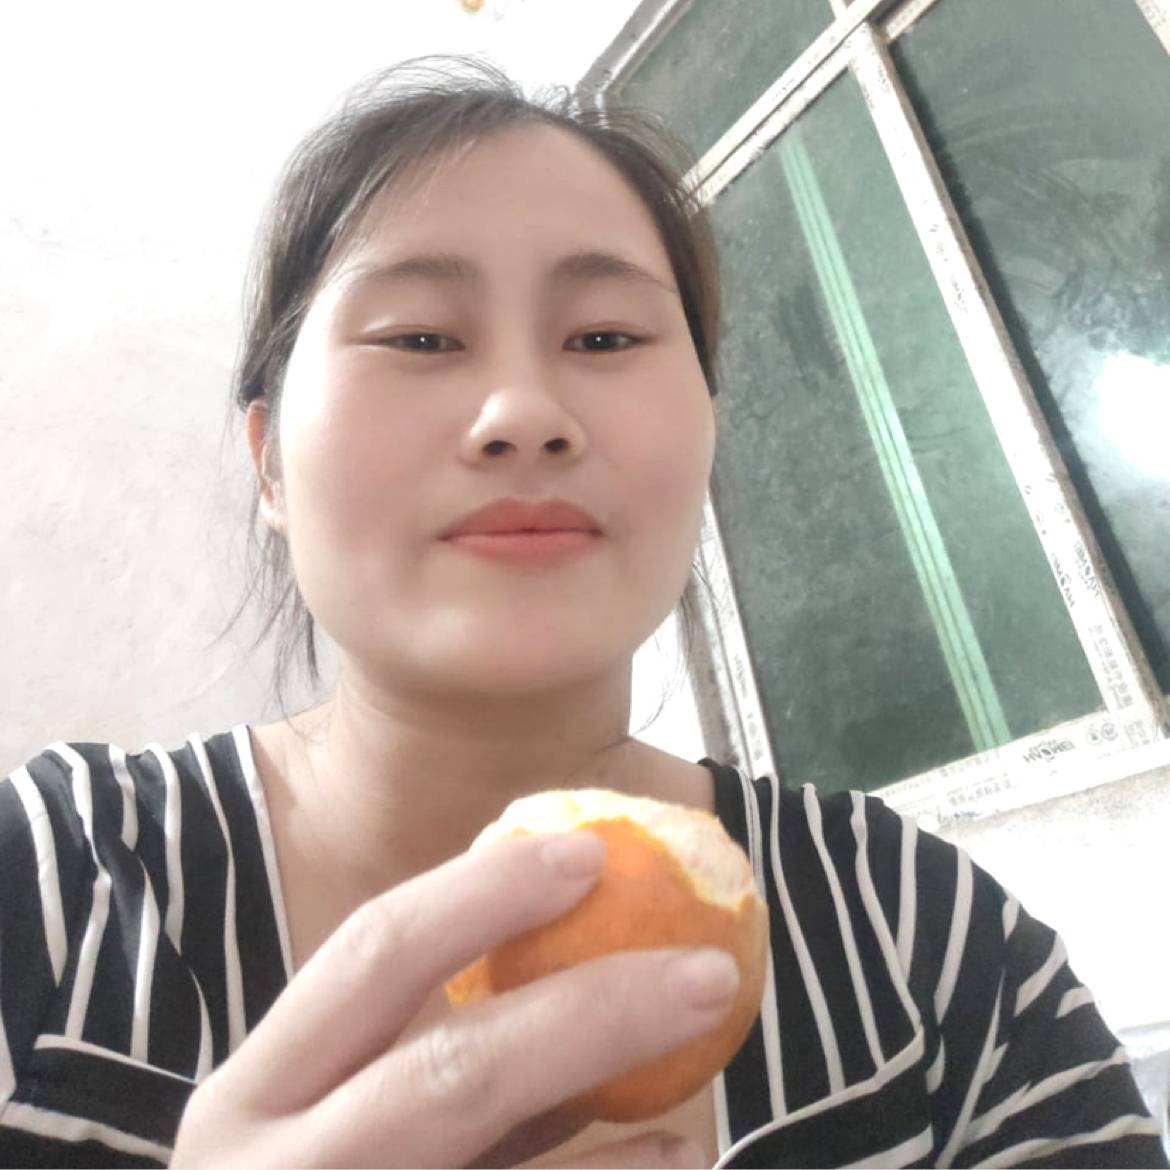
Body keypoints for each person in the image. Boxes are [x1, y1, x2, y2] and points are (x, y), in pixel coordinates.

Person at [0, 55, 1165, 1170]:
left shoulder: (929, 948)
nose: (523, 412)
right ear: (269, 465)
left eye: (606, 337)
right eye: (420, 337)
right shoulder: (46, 894)